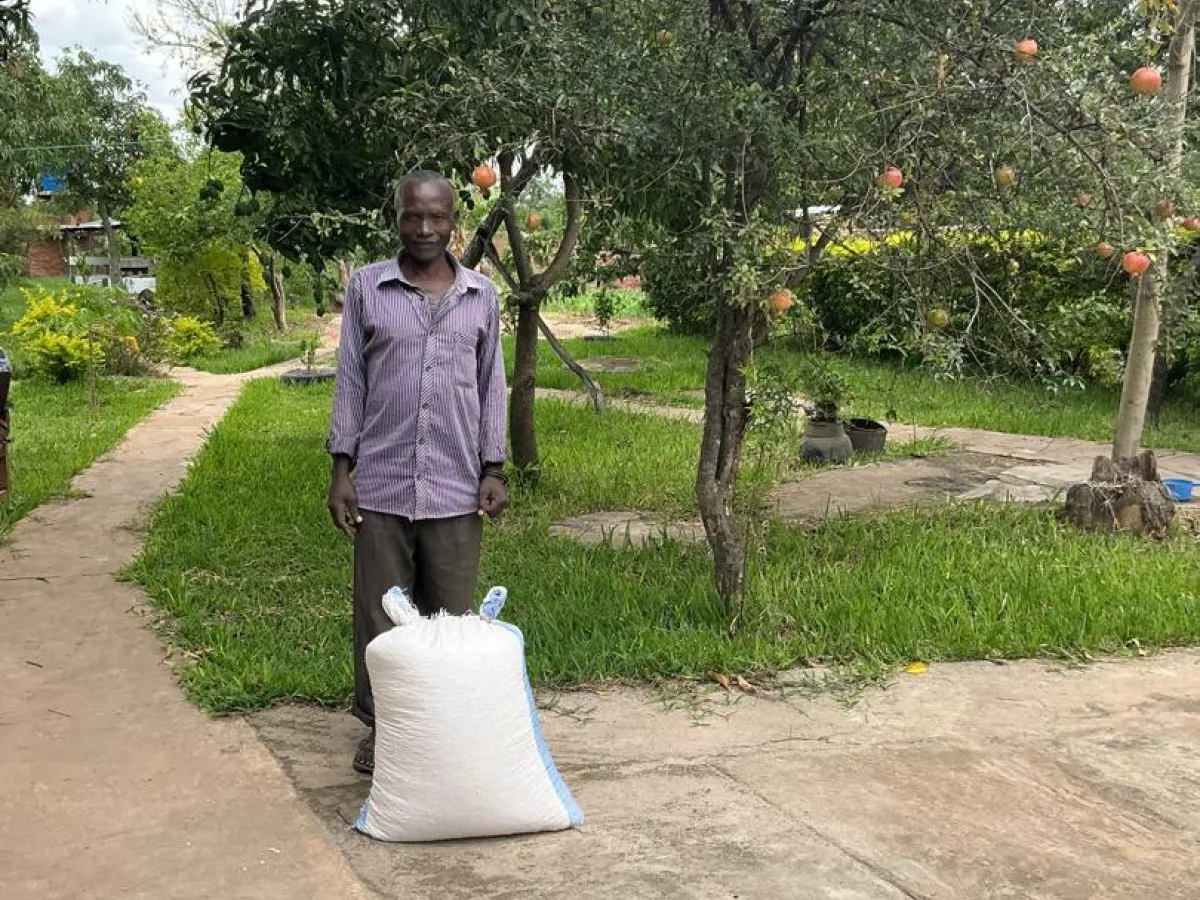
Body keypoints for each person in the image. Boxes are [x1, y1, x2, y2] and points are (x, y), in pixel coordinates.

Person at [326, 171, 509, 774]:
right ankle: (384, 729)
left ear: (454, 221)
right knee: (383, 621)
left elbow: (492, 386)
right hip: (380, 485)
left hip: (457, 486)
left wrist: (494, 467)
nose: (424, 228)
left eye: (436, 217)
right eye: (412, 216)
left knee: (450, 621)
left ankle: (439, 729)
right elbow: (351, 380)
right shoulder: (368, 288)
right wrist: (341, 469)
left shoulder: (481, 296)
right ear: (397, 218)